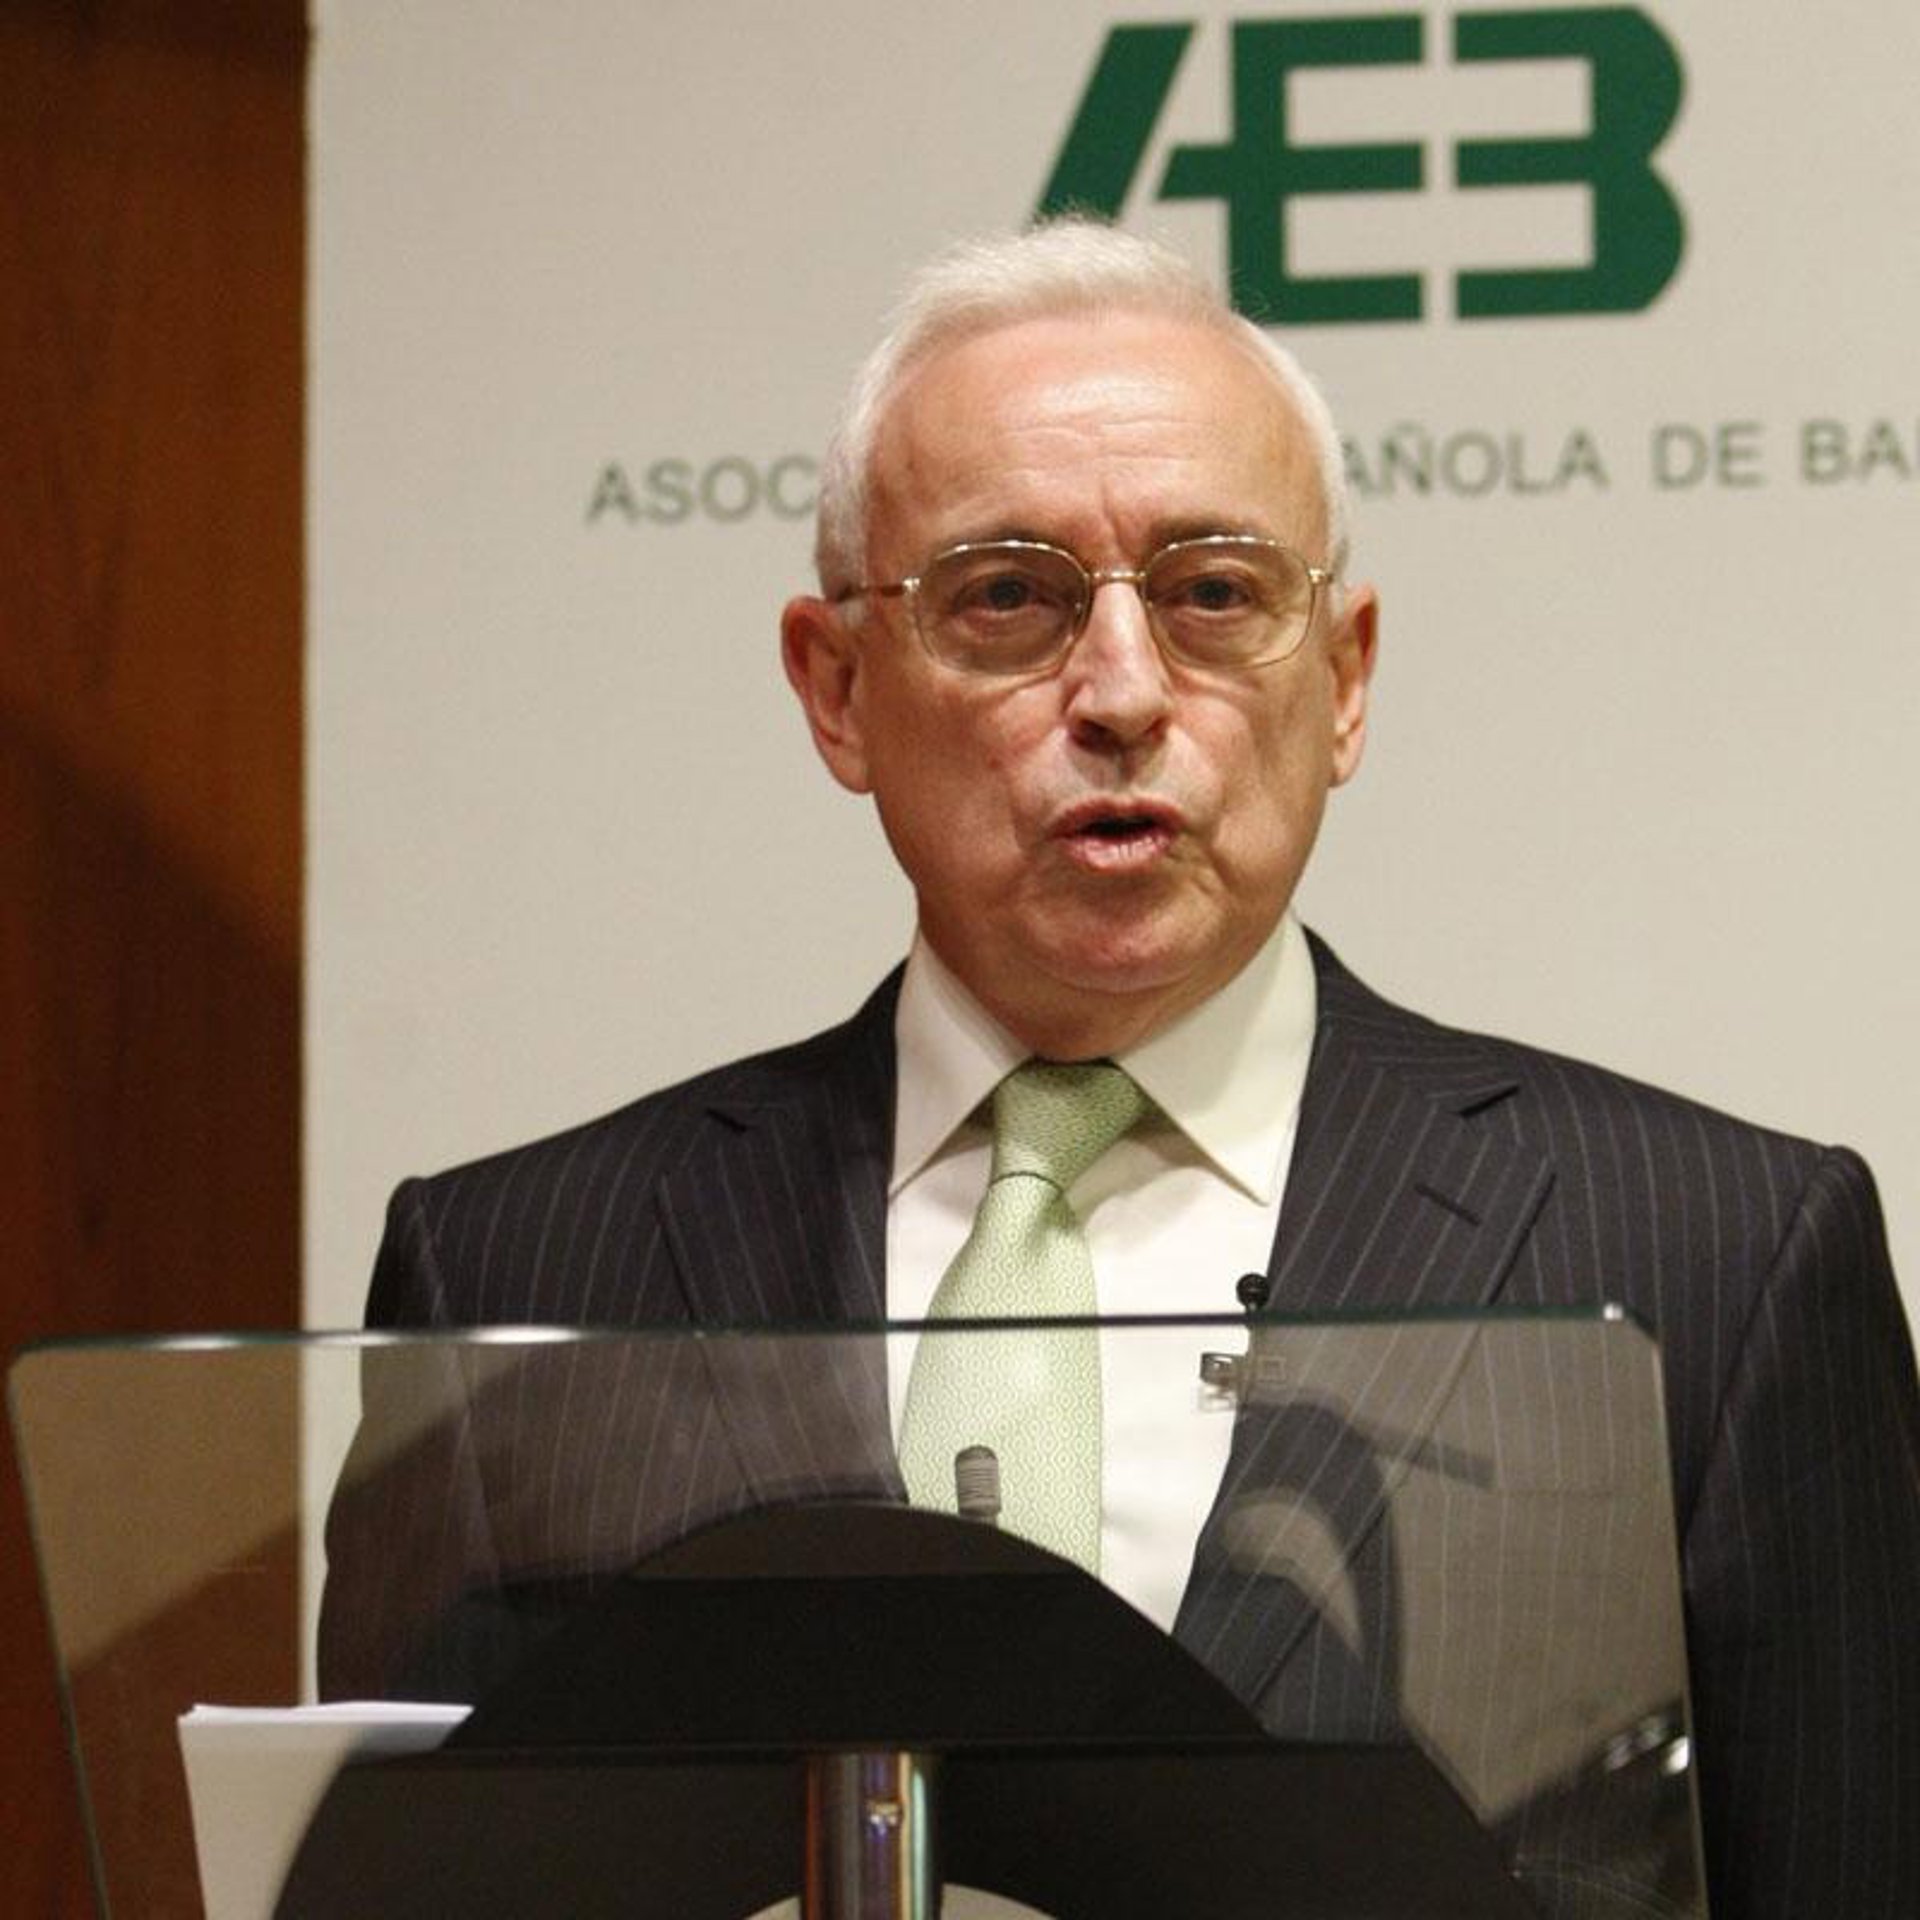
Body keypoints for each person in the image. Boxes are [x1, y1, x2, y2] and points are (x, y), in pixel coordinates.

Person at [322, 221, 1920, 1917]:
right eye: (1006, 597)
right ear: (837, 688)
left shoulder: (1715, 1260)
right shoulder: (518, 1274)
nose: (1124, 693)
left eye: (1214, 593)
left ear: (1345, 679)